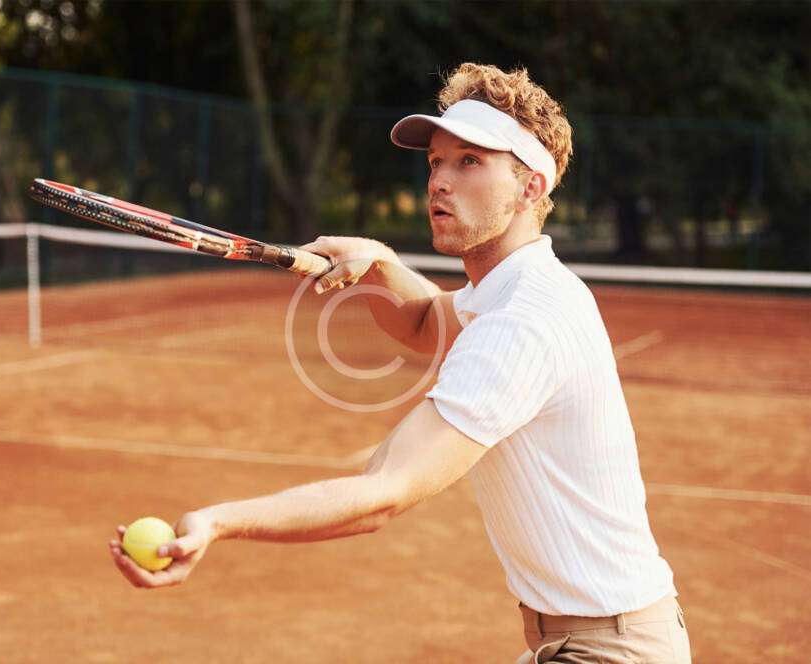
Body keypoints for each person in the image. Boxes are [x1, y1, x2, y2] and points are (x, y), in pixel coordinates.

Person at [109, 63, 690, 663]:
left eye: (470, 161)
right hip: (592, 637)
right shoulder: (520, 289)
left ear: (530, 188)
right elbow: (423, 322)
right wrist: (379, 260)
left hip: (609, 650)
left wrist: (217, 522)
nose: (440, 181)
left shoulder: (524, 321)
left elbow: (384, 493)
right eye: (436, 162)